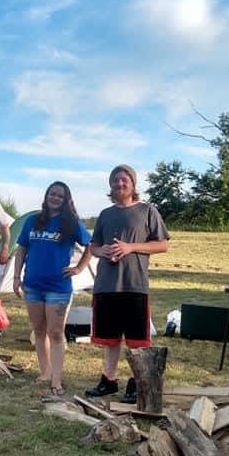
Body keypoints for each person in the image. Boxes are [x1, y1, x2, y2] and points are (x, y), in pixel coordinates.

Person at [84, 164, 169, 402]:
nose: (120, 184)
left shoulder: (147, 210)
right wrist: (104, 251)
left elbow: (162, 245)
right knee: (110, 338)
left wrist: (130, 247)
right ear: (110, 185)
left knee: (136, 340)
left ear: (133, 184)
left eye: (124, 180)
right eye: (115, 180)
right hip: (107, 285)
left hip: (134, 284)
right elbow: (93, 247)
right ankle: (108, 380)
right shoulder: (105, 214)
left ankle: (136, 382)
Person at [12, 182, 92, 399]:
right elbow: (21, 250)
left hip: (58, 287)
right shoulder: (32, 221)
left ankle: (57, 378)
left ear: (66, 200)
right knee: (39, 331)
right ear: (46, 195)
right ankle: (45, 372)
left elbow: (90, 246)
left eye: (60, 195)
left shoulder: (71, 223)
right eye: (52, 193)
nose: (55, 198)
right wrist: (17, 276)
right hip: (32, 285)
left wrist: (78, 268)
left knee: (55, 333)